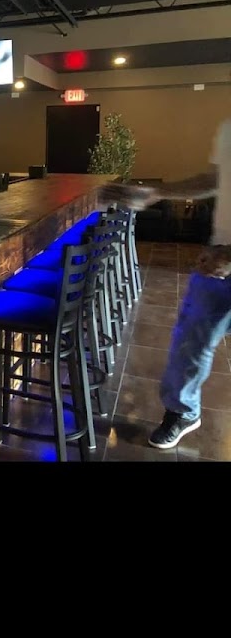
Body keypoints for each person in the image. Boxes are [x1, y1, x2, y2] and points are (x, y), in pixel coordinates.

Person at [99, 115, 231, 450]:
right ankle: (183, 411)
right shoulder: (228, 128)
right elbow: (214, 178)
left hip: (224, 257)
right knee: (190, 343)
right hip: (218, 258)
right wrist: (156, 192)